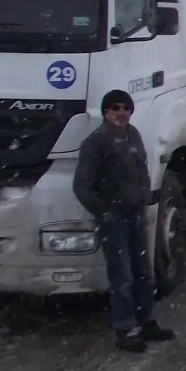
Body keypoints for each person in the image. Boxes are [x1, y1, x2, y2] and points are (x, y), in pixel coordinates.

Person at [73, 89, 176, 353]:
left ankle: (146, 322)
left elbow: (142, 171)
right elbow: (82, 187)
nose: (121, 112)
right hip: (114, 219)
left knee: (144, 271)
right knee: (122, 276)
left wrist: (143, 198)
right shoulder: (95, 143)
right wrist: (103, 211)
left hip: (136, 215)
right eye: (115, 108)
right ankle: (125, 329)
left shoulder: (133, 135)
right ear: (105, 112)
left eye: (125, 108)